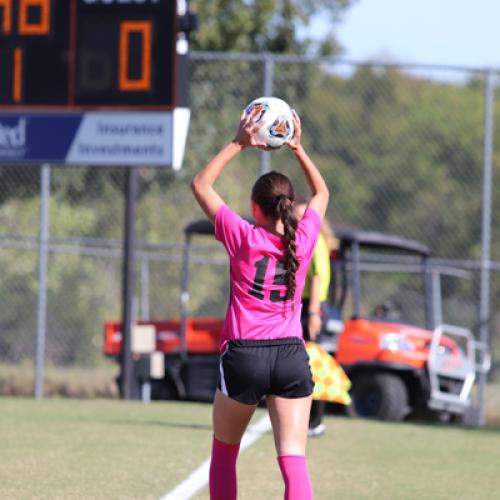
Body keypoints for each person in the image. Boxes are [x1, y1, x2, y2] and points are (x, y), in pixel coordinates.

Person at [191, 106, 329, 500]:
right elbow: (321, 193)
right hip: (288, 354)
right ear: (290, 206)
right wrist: (298, 149)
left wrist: (238, 143)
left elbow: (201, 185)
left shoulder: (242, 236)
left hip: (244, 355)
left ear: (254, 209)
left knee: (224, 455)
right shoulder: (302, 241)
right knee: (294, 460)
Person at [294, 202, 337, 437]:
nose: (298, 219)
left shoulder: (315, 240)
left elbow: (317, 277)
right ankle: (306, 419)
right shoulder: (304, 239)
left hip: (313, 307)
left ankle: (316, 420)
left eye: (303, 215)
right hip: (306, 306)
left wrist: (312, 313)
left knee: (312, 365)